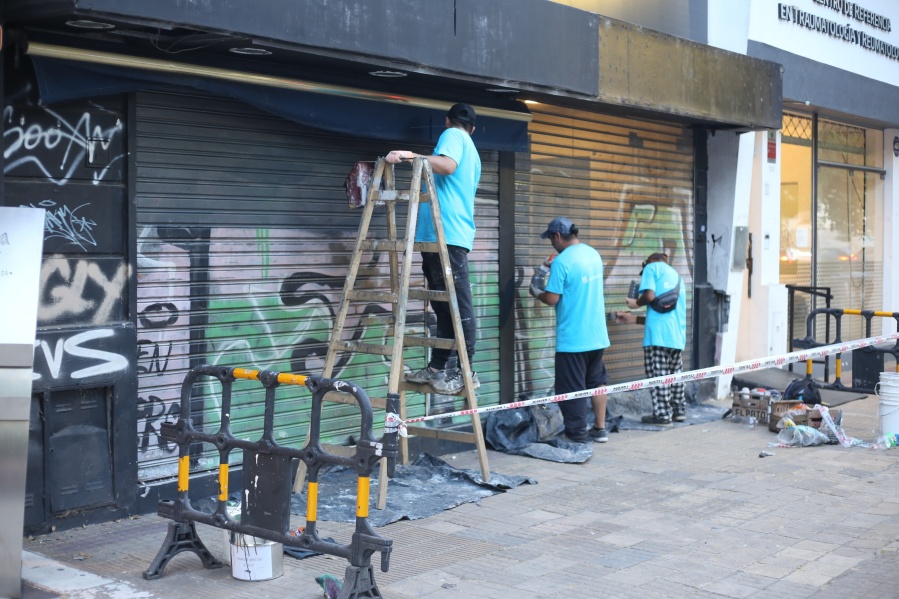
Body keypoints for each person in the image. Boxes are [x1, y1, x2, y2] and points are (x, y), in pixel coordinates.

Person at [386, 103, 481, 394]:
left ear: (448, 121)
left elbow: (447, 164)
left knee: (456, 305)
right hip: (444, 234)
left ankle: (465, 373)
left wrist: (410, 155)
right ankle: (438, 368)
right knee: (443, 305)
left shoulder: (454, 135)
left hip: (448, 234)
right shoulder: (471, 145)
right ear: (474, 127)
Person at [531, 217, 610, 444]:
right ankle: (600, 428)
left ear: (557, 236)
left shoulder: (563, 261)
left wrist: (536, 290)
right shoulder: (593, 253)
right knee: (596, 382)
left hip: (574, 338)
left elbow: (552, 298)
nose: (551, 245)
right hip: (597, 335)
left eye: (550, 239)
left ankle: (577, 436)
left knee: (571, 389)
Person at [623, 252, 687, 426]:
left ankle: (662, 415)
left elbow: (649, 297)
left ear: (650, 261)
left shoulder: (651, 268)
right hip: (676, 337)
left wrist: (635, 303)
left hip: (657, 338)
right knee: (675, 375)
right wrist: (634, 319)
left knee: (658, 376)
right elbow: (664, 312)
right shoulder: (678, 277)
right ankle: (679, 410)